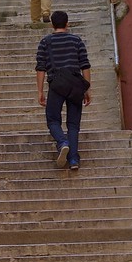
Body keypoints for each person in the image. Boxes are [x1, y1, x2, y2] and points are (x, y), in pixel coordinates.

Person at [36, 10, 91, 171]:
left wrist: (40, 91)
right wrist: (87, 89)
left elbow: (40, 68)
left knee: (53, 120)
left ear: (52, 24)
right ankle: (74, 159)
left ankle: (62, 142)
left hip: (57, 84)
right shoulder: (76, 40)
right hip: (75, 84)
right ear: (67, 23)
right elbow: (85, 66)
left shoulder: (46, 42)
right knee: (73, 124)